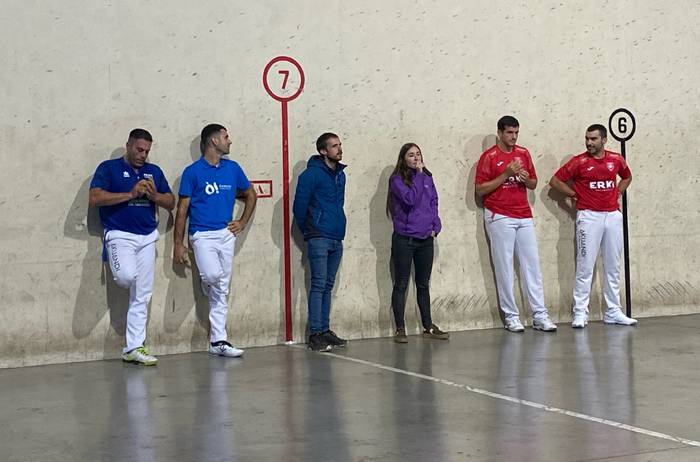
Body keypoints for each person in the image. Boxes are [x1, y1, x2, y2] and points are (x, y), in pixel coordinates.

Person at [89, 128, 175, 365]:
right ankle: (133, 346)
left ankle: (134, 347)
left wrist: (154, 196)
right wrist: (130, 194)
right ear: (128, 146)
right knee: (126, 278)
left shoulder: (153, 171)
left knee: (142, 294)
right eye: (139, 149)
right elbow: (95, 198)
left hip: (147, 237)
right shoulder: (108, 168)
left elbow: (171, 202)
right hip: (119, 235)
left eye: (147, 151)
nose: (143, 155)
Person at [173, 124, 257, 357]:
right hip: (201, 235)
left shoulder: (233, 168)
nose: (229, 141)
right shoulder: (192, 172)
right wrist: (178, 244)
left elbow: (250, 194)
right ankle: (207, 282)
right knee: (212, 277)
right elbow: (182, 210)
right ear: (213, 141)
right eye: (225, 137)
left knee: (222, 287)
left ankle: (218, 341)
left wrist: (242, 222)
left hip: (226, 234)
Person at [475, 116, 557, 333]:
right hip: (499, 215)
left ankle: (540, 315)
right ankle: (511, 316)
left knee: (533, 266)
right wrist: (506, 174)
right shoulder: (489, 157)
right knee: (505, 267)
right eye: (509, 133)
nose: (513, 137)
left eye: (516, 133)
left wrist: (524, 178)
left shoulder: (523, 153)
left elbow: (533, 183)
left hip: (523, 215)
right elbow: (480, 190)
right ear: (500, 133)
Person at [549, 124, 636, 328]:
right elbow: (555, 181)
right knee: (585, 267)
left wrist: (618, 192)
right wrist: (573, 194)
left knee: (613, 266)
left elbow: (627, 176)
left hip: (612, 216)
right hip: (588, 218)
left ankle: (613, 311)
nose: (589, 142)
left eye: (593, 139)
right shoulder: (578, 162)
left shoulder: (616, 159)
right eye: (587, 138)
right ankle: (580, 312)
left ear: (604, 140)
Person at [293, 132, 348, 352]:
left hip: (336, 236)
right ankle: (315, 334)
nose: (339, 149)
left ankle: (324, 329)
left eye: (340, 144)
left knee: (327, 286)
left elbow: (338, 204)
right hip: (318, 237)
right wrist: (311, 230)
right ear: (323, 151)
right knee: (318, 285)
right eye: (334, 146)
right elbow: (299, 207)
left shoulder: (341, 175)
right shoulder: (310, 175)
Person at [388, 143, 449, 343]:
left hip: (425, 239)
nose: (416, 158)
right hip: (405, 239)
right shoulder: (397, 180)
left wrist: (435, 225)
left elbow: (433, 202)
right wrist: (420, 176)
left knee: (423, 284)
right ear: (403, 159)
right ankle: (400, 328)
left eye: (418, 154)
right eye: (411, 155)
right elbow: (410, 200)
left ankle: (428, 326)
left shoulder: (427, 178)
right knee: (401, 283)